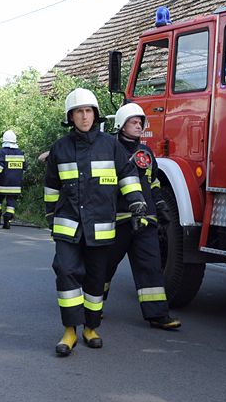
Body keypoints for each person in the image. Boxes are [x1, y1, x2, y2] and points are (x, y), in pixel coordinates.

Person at [44, 88, 148, 356]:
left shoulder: (110, 145)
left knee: (95, 279)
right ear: (71, 116)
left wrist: (136, 201)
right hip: (68, 226)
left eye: (88, 110)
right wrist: (49, 215)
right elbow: (52, 186)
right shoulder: (60, 148)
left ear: (96, 114)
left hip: (100, 226)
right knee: (66, 272)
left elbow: (127, 173)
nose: (84, 116)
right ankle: (70, 331)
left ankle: (91, 327)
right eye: (79, 111)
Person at [104, 103, 181, 330]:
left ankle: (158, 315)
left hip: (146, 220)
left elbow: (153, 182)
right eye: (134, 122)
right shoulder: (109, 150)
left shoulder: (145, 153)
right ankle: (92, 309)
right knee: (104, 267)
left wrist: (160, 205)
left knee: (151, 266)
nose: (139, 126)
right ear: (121, 125)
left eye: (140, 123)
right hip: (118, 220)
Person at [0, 130, 26, 229]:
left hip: (2, 184)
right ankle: (7, 220)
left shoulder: (2, 152)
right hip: (15, 186)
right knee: (11, 203)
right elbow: (24, 168)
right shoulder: (20, 153)